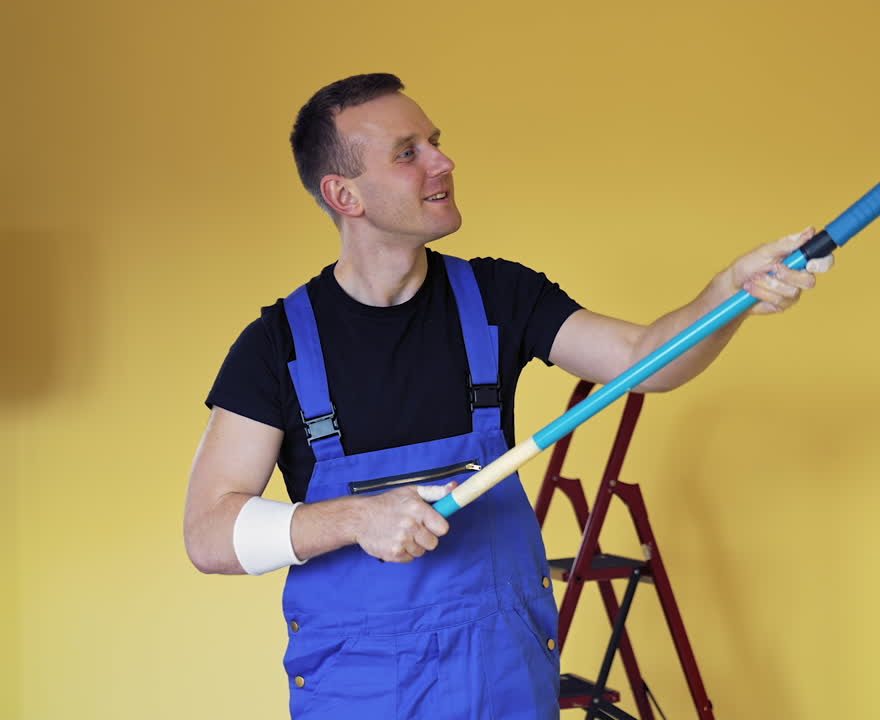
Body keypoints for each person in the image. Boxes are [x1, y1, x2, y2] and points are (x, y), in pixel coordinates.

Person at [183, 73, 831, 719]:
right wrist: (358, 519)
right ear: (343, 193)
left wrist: (729, 293)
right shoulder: (278, 346)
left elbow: (645, 362)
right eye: (409, 152)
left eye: (435, 142)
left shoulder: (499, 300)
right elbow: (209, 533)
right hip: (362, 696)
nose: (444, 161)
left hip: (505, 686)